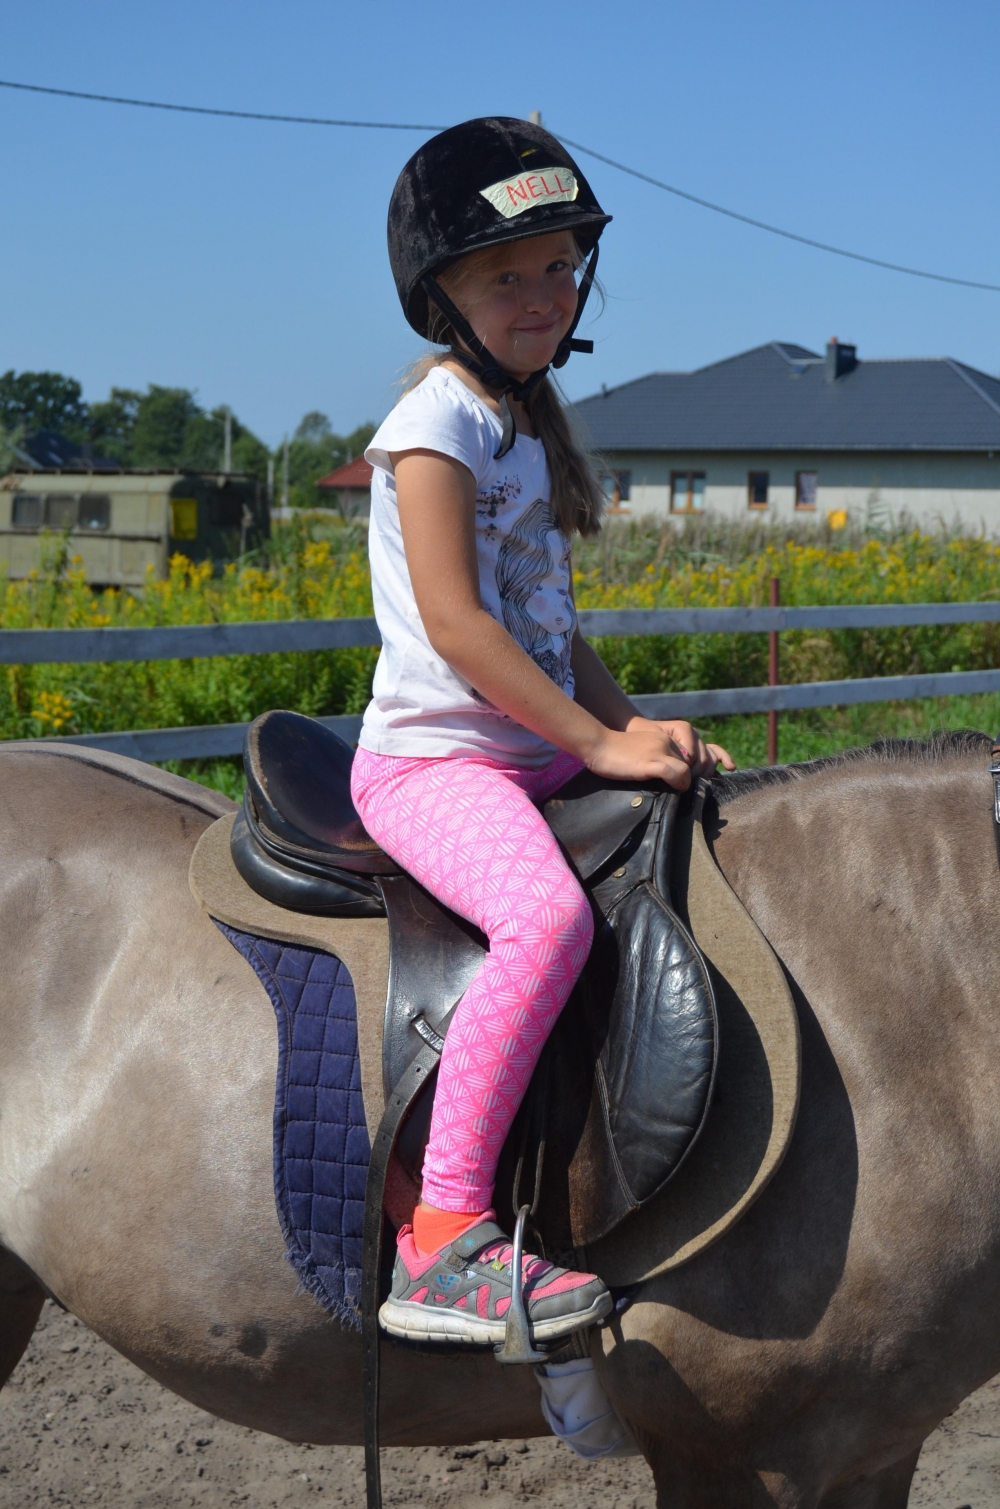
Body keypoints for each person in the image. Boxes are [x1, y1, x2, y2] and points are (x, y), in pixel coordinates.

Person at [351, 117, 734, 1348]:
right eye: (507, 275)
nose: (543, 294)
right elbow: (461, 629)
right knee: (546, 922)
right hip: (436, 763)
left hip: (530, 747)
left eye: (561, 267)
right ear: (442, 298)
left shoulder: (525, 422)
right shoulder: (437, 426)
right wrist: (598, 746)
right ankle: (442, 1235)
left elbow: (554, 635)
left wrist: (632, 728)